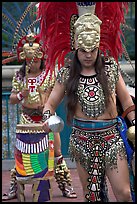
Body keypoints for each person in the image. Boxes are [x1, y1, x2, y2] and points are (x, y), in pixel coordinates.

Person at [42, 13, 135, 202]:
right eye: (84, 50)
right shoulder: (67, 73)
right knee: (91, 196)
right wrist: (48, 119)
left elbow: (126, 101)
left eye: (92, 50)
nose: (88, 55)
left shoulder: (111, 68)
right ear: (76, 47)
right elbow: (50, 104)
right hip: (82, 141)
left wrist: (134, 122)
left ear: (98, 47)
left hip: (111, 139)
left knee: (124, 194)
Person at [2, 32, 77, 201]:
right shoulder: (19, 76)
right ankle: (15, 185)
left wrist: (48, 109)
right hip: (27, 118)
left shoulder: (50, 74)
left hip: (46, 117)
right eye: (29, 60)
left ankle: (65, 185)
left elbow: (57, 95)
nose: (32, 62)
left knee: (56, 152)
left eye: (35, 59)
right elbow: (13, 99)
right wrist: (22, 94)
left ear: (41, 57)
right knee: (21, 153)